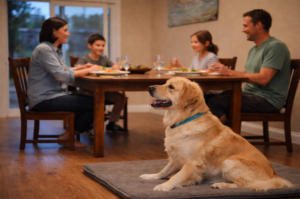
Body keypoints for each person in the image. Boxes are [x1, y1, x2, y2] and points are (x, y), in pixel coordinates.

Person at [208, 9, 291, 125]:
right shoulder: (253, 49)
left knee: (215, 102)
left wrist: (230, 72)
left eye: (245, 26)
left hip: (267, 100)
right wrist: (223, 71)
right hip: (249, 95)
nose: (243, 30)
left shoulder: (275, 47)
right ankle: (227, 132)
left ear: (258, 25)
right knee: (207, 97)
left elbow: (263, 79)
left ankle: (226, 136)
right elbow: (242, 76)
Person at [27, 17, 101, 147]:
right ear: (54, 31)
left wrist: (82, 68)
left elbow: (63, 70)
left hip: (51, 96)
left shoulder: (54, 49)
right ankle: (67, 137)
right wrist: (91, 70)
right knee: (96, 104)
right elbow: (62, 76)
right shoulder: (44, 49)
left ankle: (68, 136)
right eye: (65, 30)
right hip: (43, 99)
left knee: (95, 101)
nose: (68, 33)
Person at [76, 34, 128, 134]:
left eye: (103, 45)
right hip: (88, 91)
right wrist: (85, 67)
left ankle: (111, 124)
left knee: (120, 98)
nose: (101, 48)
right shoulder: (84, 59)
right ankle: (91, 125)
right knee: (99, 101)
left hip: (104, 91)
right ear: (89, 46)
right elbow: (77, 68)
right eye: (98, 45)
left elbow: (116, 68)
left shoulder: (104, 60)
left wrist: (113, 66)